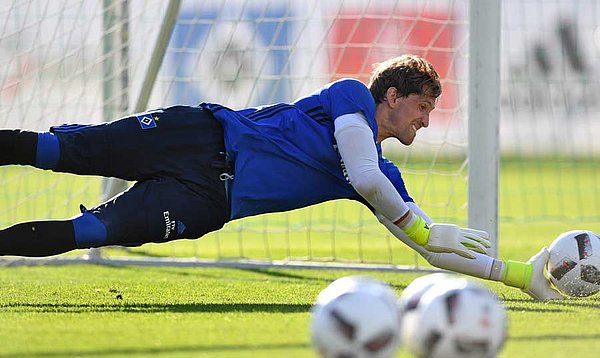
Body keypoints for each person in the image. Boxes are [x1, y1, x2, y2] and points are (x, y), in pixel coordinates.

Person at [0, 54, 562, 300]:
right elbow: (365, 177)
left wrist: (516, 274)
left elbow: (433, 253)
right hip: (196, 134)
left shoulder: (385, 177)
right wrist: (421, 227)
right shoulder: (349, 98)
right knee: (54, 150)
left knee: (88, 235)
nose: (425, 121)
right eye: (422, 107)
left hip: (206, 200)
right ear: (391, 95)